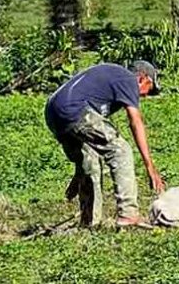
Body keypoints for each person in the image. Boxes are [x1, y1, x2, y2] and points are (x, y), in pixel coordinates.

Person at [44, 60, 166, 228]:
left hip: (53, 112)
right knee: (120, 150)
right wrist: (150, 168)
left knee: (89, 162)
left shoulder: (111, 78)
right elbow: (135, 121)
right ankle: (128, 214)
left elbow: (88, 132)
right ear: (143, 78)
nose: (144, 95)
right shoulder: (128, 79)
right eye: (149, 89)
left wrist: (79, 173)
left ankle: (89, 223)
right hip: (74, 109)